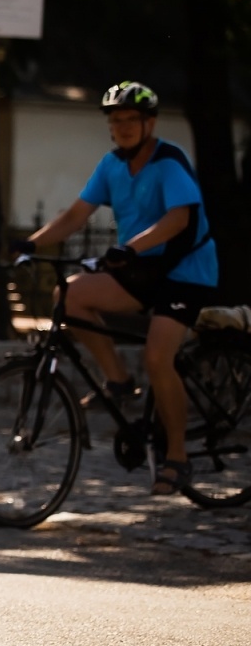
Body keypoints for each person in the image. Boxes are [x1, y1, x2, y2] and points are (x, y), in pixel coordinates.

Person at [13, 81, 218, 495]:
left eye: (131, 120)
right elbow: (75, 214)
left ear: (149, 123)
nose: (122, 127)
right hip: (142, 270)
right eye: (116, 120)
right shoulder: (111, 165)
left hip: (184, 272)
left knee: (159, 357)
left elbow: (179, 219)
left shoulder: (168, 161)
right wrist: (31, 243)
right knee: (68, 296)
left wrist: (130, 246)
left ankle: (176, 457)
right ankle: (119, 381)